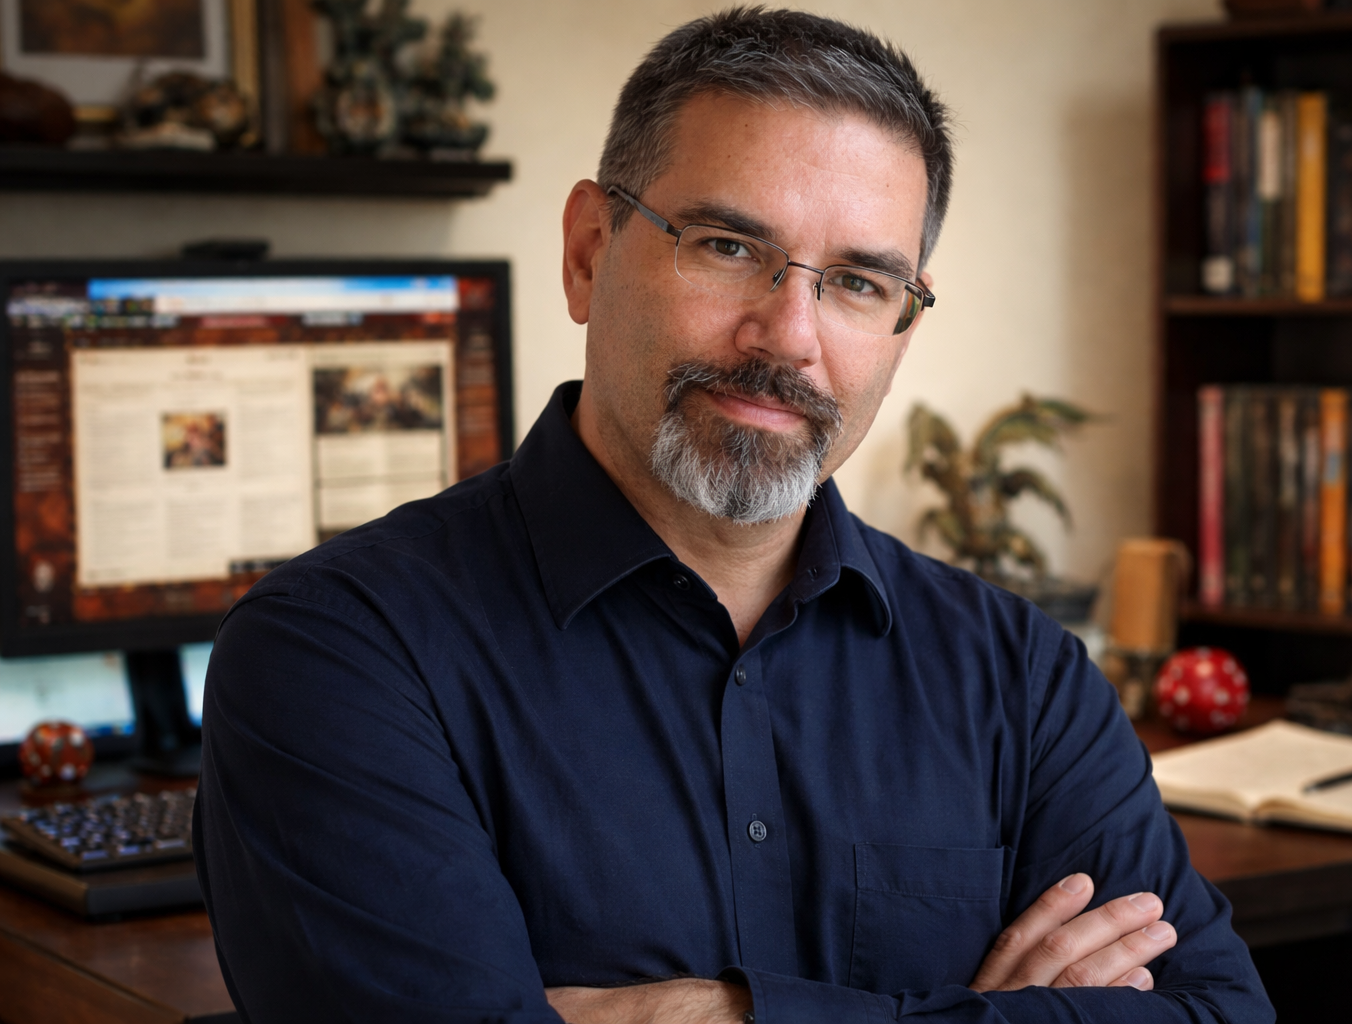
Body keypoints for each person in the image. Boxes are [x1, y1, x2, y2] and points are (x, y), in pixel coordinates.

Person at [194, 8, 1273, 1023]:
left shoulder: (1018, 674)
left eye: (857, 282)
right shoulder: (337, 655)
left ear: (902, 323)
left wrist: (731, 1012)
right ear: (587, 252)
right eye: (726, 246)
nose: (788, 335)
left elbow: (1220, 1010)